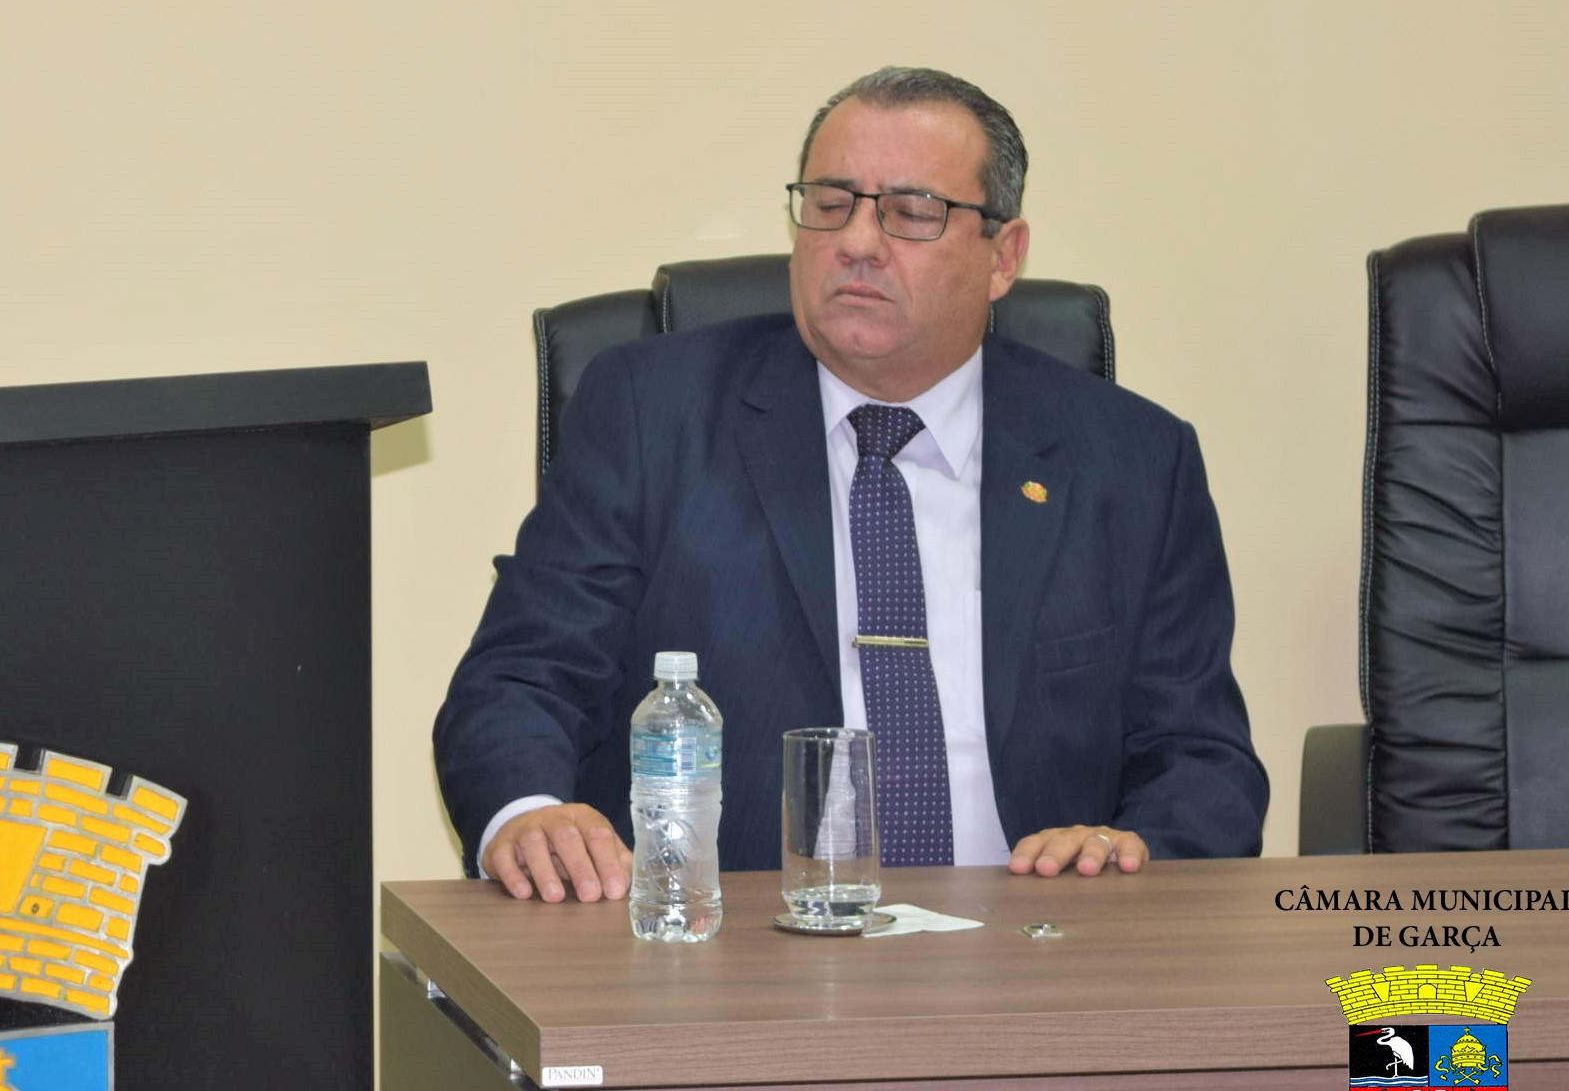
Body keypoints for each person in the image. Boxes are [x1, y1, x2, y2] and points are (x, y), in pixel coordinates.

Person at [432, 67, 1266, 902]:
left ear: (1003, 256)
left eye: (911, 212)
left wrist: (1127, 852)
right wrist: (529, 816)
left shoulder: (1131, 460)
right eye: (830, 204)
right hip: (726, 942)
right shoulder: (653, 414)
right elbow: (524, 676)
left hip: (1036, 940)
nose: (857, 242)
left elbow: (1201, 757)